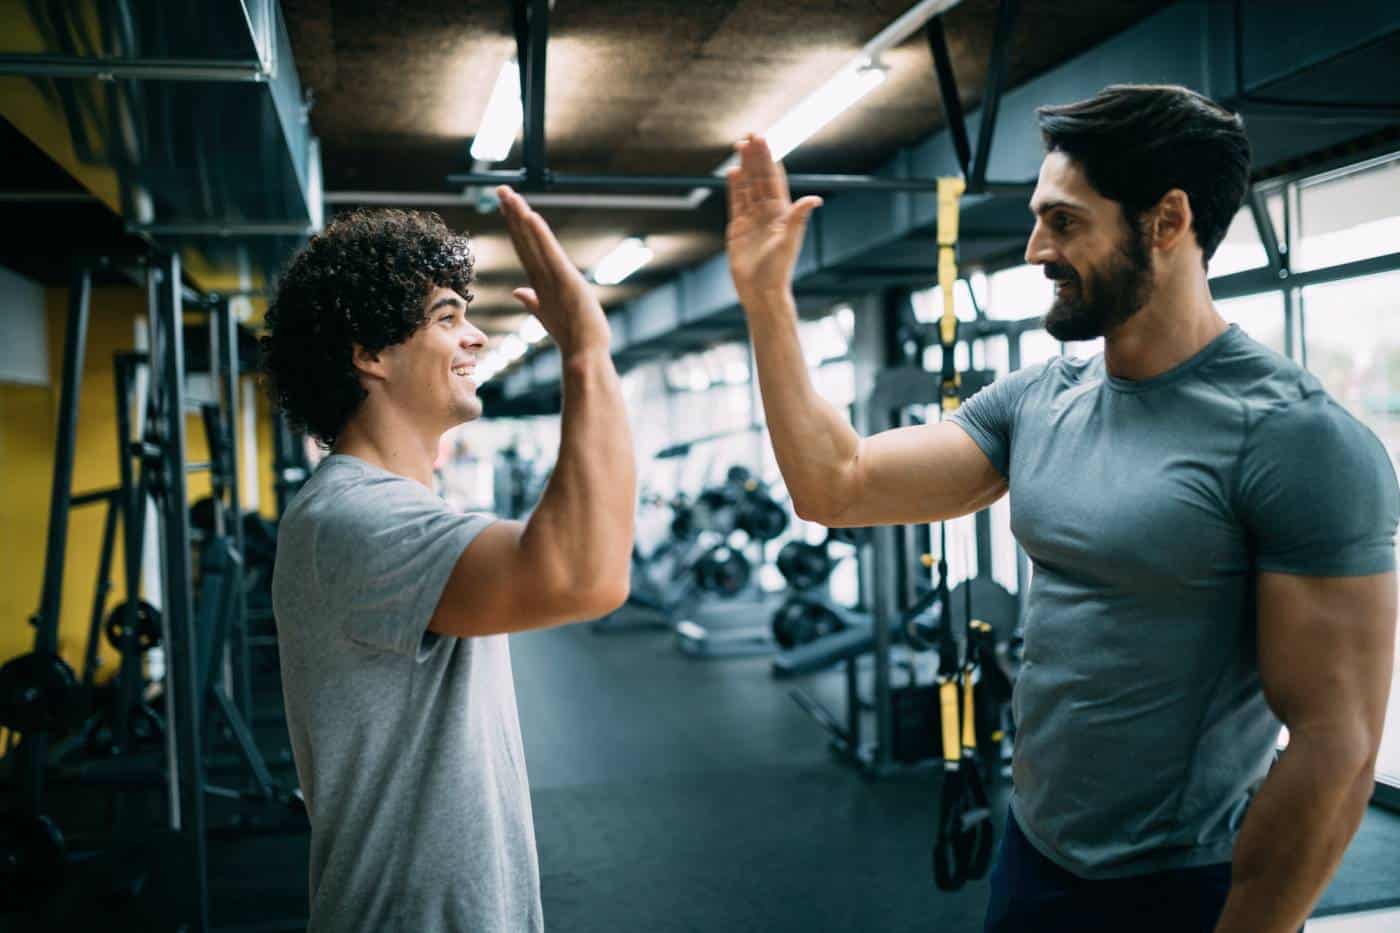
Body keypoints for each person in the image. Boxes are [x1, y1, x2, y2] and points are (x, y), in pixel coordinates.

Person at [725, 84, 1398, 933]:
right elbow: (840, 483)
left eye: (1066, 221)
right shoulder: (1041, 398)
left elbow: (1337, 744)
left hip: (1181, 887)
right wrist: (767, 306)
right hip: (1033, 854)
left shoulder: (1293, 438)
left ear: (1167, 222)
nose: (1037, 247)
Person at [260, 191, 634, 932]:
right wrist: (586, 351)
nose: (476, 339)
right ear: (370, 354)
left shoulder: (377, 509)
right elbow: (584, 575)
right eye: (446, 317)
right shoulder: (352, 518)